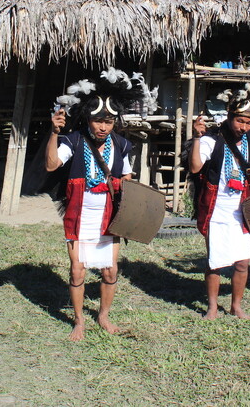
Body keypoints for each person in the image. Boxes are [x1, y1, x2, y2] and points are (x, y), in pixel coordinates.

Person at [45, 68, 155, 341]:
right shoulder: (72, 140)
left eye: (108, 121)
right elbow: (51, 165)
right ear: (88, 119)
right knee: (77, 269)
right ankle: (79, 321)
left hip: (109, 214)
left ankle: (104, 315)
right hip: (80, 214)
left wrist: (133, 213)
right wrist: (53, 133)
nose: (103, 126)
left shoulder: (123, 145)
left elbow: (128, 181)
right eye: (97, 120)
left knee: (110, 269)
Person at [189, 98, 250, 320]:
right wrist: (197, 137)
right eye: (240, 121)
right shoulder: (211, 140)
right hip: (216, 208)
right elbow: (195, 166)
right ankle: (212, 307)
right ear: (229, 118)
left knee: (243, 261)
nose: (244, 127)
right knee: (215, 261)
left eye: (249, 123)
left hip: (241, 209)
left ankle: (236, 306)